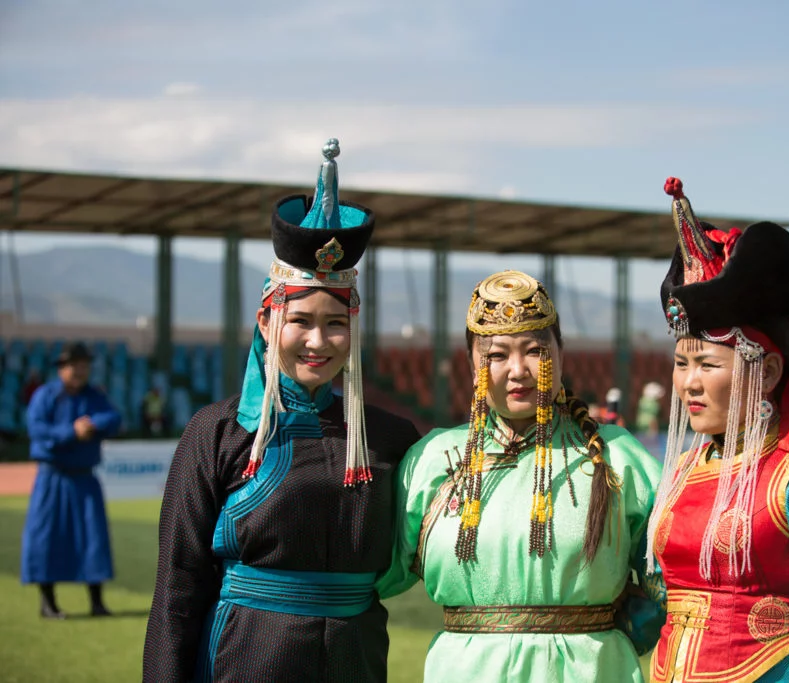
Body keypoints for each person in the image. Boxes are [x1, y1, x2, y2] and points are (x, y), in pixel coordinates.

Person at [142, 139, 421, 682]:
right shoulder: (218, 433)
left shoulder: (392, 439)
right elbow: (177, 591)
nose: (319, 340)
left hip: (356, 661)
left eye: (336, 323)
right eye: (301, 321)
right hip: (246, 659)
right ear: (268, 323)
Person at [645, 178, 789, 682]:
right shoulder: (683, 471)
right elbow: (655, 604)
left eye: (707, 364)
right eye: (681, 363)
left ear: (768, 373)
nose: (688, 383)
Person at [378, 270, 664, 683]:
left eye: (535, 351)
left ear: (562, 353)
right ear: (471, 363)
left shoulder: (618, 457)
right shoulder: (434, 460)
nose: (518, 370)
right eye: (496, 355)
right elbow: (372, 575)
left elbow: (675, 581)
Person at [21, 341, 121, 619]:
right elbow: (37, 429)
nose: (80, 370)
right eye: (74, 365)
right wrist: (71, 431)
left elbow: (113, 417)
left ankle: (97, 602)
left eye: (84, 366)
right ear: (62, 368)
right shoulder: (45, 395)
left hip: (84, 478)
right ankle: (47, 602)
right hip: (52, 478)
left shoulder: (93, 395)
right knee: (46, 538)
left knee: (93, 538)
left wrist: (93, 426)